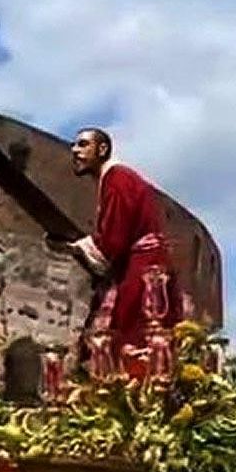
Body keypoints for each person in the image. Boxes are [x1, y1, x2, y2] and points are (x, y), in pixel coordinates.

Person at [48, 128, 181, 357]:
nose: (75, 151)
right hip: (147, 264)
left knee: (132, 336)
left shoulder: (118, 179)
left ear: (102, 149)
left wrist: (76, 247)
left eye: (82, 145)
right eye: (74, 145)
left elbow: (113, 241)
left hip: (143, 270)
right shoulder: (116, 179)